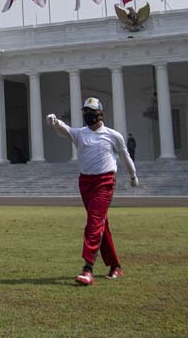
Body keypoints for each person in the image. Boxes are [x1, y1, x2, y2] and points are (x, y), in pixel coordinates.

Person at [47, 97, 138, 286]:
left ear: (100, 114)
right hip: (85, 182)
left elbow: (124, 155)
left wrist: (133, 175)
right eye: (86, 113)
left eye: (92, 112)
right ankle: (115, 266)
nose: (88, 116)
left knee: (94, 222)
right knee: (100, 224)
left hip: (104, 181)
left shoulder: (113, 135)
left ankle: (88, 268)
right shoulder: (80, 133)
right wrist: (55, 122)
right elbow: (65, 130)